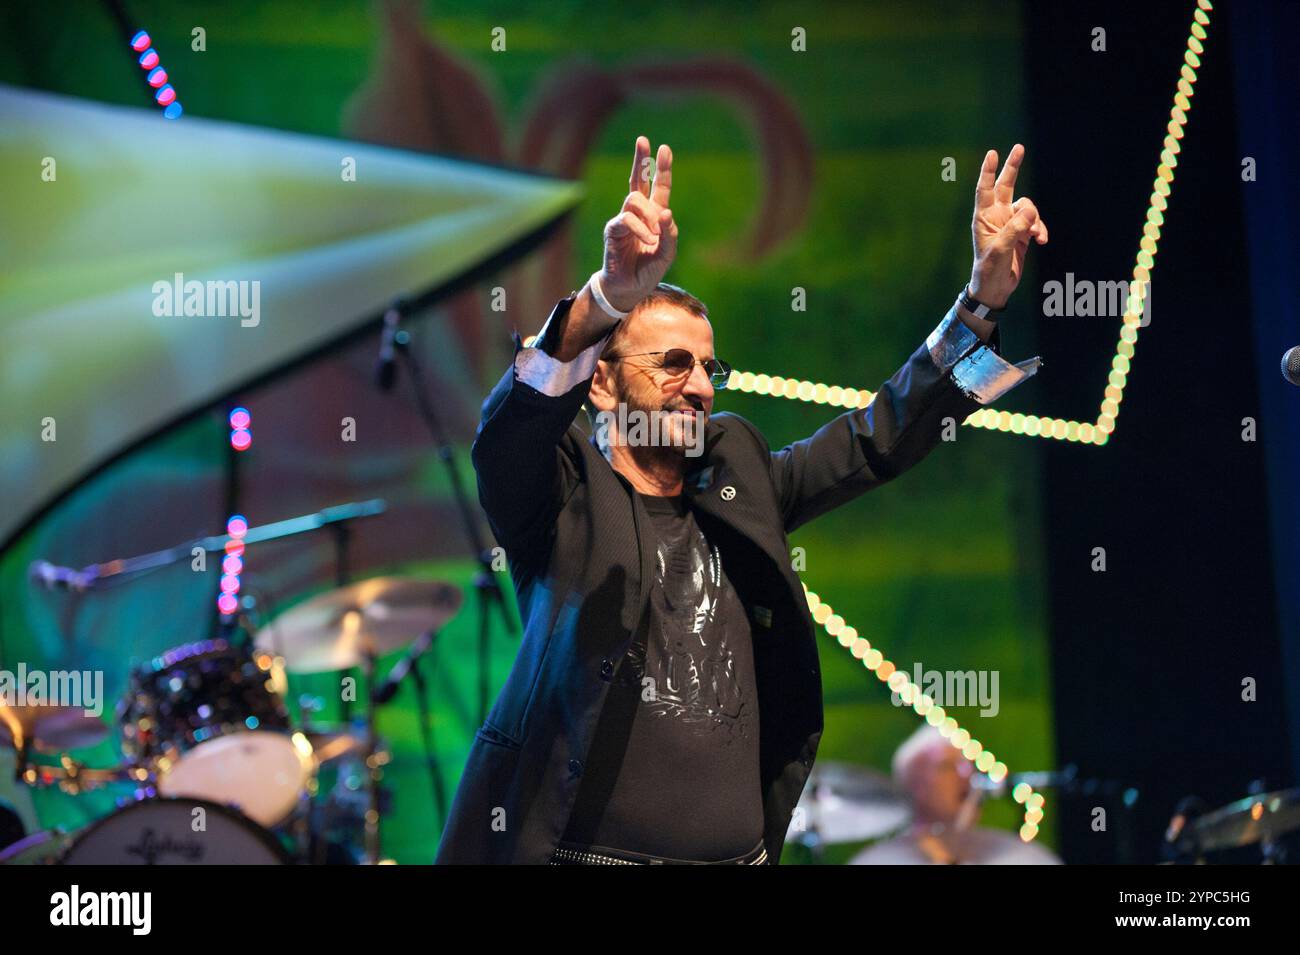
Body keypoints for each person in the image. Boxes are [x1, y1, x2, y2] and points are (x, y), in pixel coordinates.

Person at [436, 135, 1049, 864]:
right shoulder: (559, 488)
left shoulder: (738, 474)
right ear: (601, 383)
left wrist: (978, 303)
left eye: (707, 366)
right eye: (672, 362)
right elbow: (507, 433)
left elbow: (877, 436)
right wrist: (605, 297)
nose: (699, 383)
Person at [851, 725, 1062, 864]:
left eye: (966, 765)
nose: (967, 774)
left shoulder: (991, 850)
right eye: (948, 766)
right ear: (917, 784)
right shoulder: (890, 858)